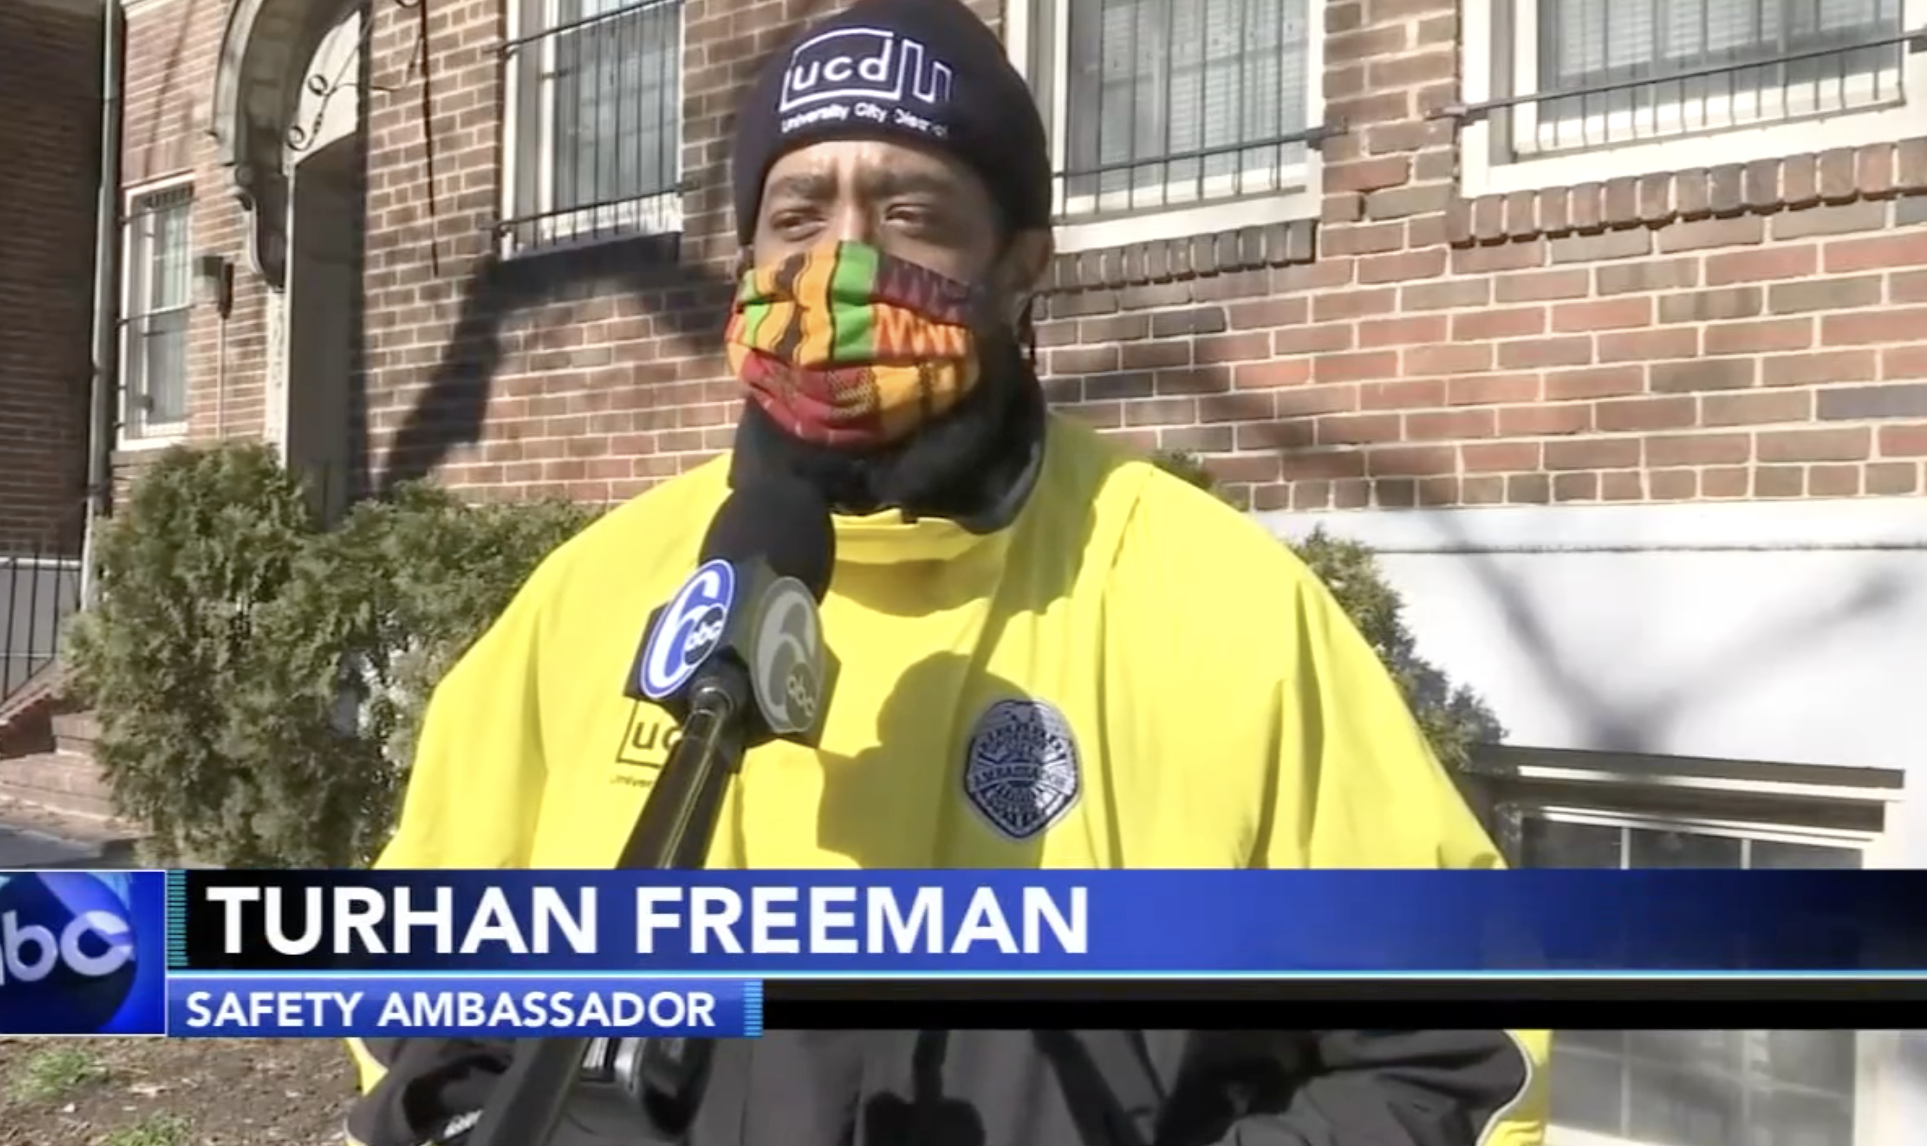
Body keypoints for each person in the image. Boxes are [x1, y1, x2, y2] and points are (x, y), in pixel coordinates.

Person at [346, 1, 1552, 1144]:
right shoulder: (597, 597)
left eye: (911, 211)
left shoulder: (1215, 604)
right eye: (798, 213)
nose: (843, 263)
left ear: (1021, 266)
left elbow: (1453, 1048)